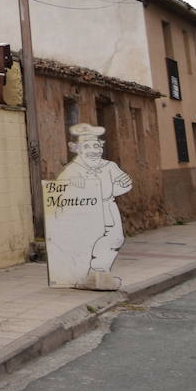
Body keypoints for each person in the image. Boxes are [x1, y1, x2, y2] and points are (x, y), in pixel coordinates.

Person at [57, 123, 133, 289]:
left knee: (115, 239)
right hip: (85, 212)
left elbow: (124, 184)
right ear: (79, 149)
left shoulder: (109, 166)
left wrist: (119, 185)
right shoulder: (73, 169)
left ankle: (100, 273)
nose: (93, 150)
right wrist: (72, 184)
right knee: (87, 242)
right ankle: (80, 276)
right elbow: (58, 190)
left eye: (97, 146)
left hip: (107, 208)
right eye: (88, 146)